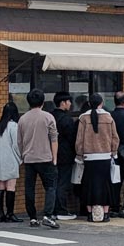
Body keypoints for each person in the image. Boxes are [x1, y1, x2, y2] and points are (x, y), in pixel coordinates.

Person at [16, 88, 60, 229]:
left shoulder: (23, 119)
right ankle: (47, 215)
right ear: (43, 102)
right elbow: (54, 139)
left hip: (29, 159)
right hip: (46, 158)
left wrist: (22, 155)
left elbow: (19, 141)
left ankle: (33, 218)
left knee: (30, 188)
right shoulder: (48, 117)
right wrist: (54, 158)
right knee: (51, 187)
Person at [75, 93, 120, 222]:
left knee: (89, 185)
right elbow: (115, 137)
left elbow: (79, 140)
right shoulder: (108, 117)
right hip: (105, 156)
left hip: (89, 157)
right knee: (105, 185)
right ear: (101, 103)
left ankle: (90, 214)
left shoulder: (83, 118)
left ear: (89, 104)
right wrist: (113, 152)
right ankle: (105, 214)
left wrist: (79, 155)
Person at [0, 101, 22, 223]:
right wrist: (21, 157)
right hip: (10, 159)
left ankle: (0, 214)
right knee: (10, 186)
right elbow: (17, 145)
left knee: (0, 186)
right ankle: (10, 213)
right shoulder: (13, 126)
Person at [51, 91, 78, 220]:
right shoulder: (67, 119)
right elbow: (72, 138)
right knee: (63, 183)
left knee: (53, 183)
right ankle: (61, 210)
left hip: (50, 154)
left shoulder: (50, 117)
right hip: (65, 155)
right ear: (63, 103)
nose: (70, 104)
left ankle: (52, 209)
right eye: (68, 101)